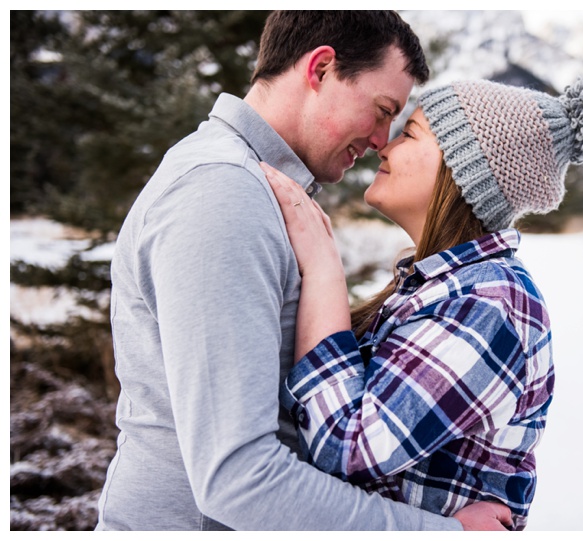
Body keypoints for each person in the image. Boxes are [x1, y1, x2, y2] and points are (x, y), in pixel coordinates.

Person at [96, 11, 510, 531]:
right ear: (320, 69)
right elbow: (238, 476)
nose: (383, 139)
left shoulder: (260, 190)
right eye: (382, 110)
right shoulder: (222, 193)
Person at [263, 71, 583, 530]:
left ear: (463, 170)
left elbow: (349, 446)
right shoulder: (439, 288)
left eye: (410, 134)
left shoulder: (488, 305)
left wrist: (324, 269)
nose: (384, 146)